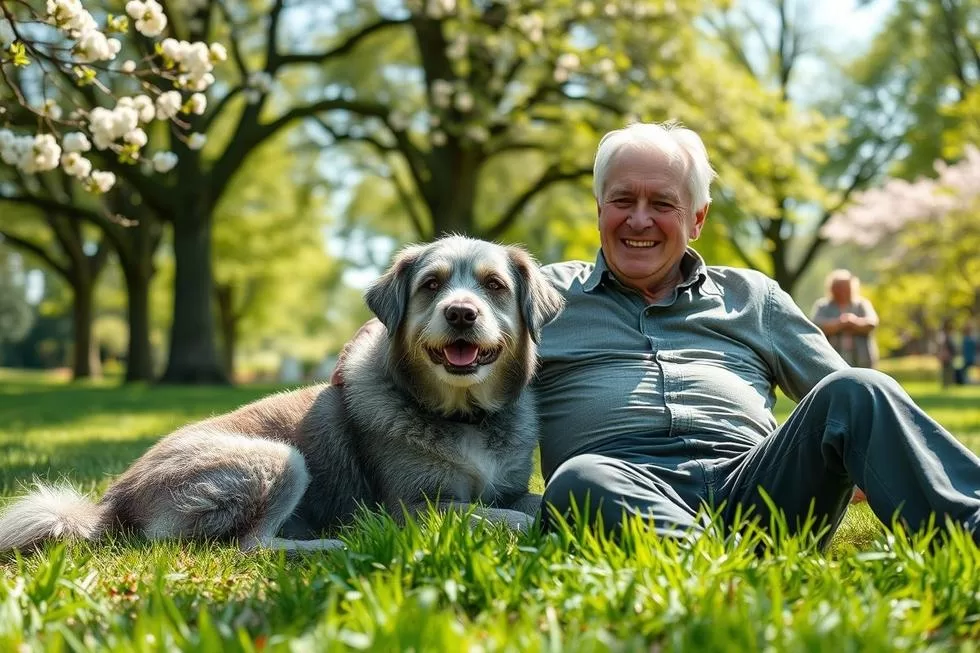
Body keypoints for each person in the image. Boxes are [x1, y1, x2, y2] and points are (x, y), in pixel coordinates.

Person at [334, 121, 980, 547]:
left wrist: (873, 463)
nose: (639, 220)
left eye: (662, 203)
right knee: (579, 479)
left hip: (758, 485)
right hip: (618, 489)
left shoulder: (751, 296)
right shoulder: (539, 294)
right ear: (599, 210)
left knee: (861, 388)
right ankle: (719, 565)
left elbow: (847, 407)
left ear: (696, 218)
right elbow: (438, 312)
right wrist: (360, 347)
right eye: (623, 200)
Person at [810, 271, 879, 369]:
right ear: (831, 288)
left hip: (861, 358)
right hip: (831, 358)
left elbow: (872, 323)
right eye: (838, 287)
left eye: (845, 287)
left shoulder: (862, 304)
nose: (842, 290)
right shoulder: (822, 306)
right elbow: (816, 325)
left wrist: (853, 322)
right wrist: (840, 324)